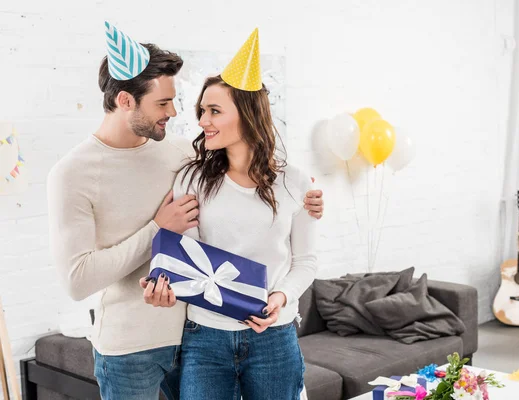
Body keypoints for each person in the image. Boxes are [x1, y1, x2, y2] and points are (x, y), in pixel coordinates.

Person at [48, 22, 324, 400]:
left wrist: (308, 199)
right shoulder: (73, 173)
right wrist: (159, 231)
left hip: (196, 332)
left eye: (204, 108)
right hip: (139, 344)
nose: (179, 114)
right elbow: (78, 281)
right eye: (163, 104)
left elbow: (263, 192)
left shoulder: (180, 154)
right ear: (126, 100)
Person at [145, 29, 317, 400]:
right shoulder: (191, 179)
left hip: (274, 338)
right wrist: (165, 283)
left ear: (248, 114)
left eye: (215, 111)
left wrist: (281, 298)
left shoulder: (295, 181)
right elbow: (188, 259)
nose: (203, 120)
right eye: (202, 111)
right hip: (205, 340)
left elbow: (305, 261)